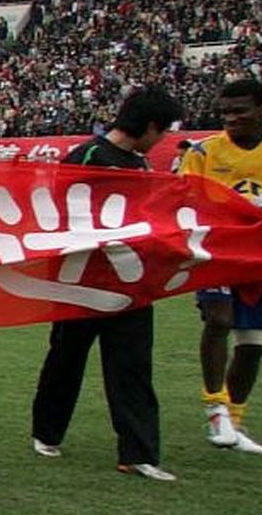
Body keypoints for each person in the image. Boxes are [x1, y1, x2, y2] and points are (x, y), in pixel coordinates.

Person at [30, 86, 186, 481]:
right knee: (66, 359)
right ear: (150, 126)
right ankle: (46, 432)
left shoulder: (142, 166)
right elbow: (51, 207)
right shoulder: (87, 156)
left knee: (132, 366)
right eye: (162, 130)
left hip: (130, 284)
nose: (162, 139)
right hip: (80, 281)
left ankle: (138, 452)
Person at [175, 76, 262, 455]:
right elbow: (184, 199)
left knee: (252, 344)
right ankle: (215, 407)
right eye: (225, 112)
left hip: (260, 259)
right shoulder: (203, 153)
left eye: (240, 110)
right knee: (219, 320)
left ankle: (234, 420)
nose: (231, 119)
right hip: (215, 252)